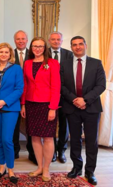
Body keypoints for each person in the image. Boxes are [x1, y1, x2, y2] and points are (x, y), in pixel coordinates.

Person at [61, 36, 106, 185]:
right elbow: (61, 86)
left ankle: (90, 171)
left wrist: (85, 100)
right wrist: (75, 99)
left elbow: (101, 86)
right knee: (74, 139)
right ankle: (76, 167)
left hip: (91, 107)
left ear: (85, 45)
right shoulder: (65, 64)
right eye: (74, 45)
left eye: (80, 44)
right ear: (71, 47)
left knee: (91, 141)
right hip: (72, 107)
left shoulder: (96, 63)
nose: (78, 47)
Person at [21, 37, 60, 182]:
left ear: (45, 48)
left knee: (48, 137)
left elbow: (56, 87)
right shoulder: (27, 63)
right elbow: (25, 85)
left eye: (40, 46)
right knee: (35, 137)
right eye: (35, 46)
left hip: (47, 105)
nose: (37, 49)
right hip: (31, 104)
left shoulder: (52, 63)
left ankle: (47, 169)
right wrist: (23, 104)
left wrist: (53, 108)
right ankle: (39, 166)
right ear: (31, 48)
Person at [0, 42, 24, 184]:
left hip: (10, 108)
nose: (3, 54)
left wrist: (4, 101)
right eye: (0, 52)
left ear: (10, 55)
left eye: (6, 52)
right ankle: (1, 166)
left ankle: (11, 169)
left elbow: (19, 89)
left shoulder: (16, 69)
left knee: (7, 140)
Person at [48, 31, 73, 163]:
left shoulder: (69, 54)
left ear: (62, 41)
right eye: (53, 39)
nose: (56, 41)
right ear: (49, 40)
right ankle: (51, 151)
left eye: (58, 39)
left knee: (64, 124)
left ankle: (61, 150)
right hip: (49, 95)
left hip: (65, 95)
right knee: (50, 124)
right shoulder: (44, 53)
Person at [12, 30, 35, 163]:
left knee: (31, 126)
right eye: (18, 39)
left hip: (30, 95)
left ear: (27, 40)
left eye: (23, 39)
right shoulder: (10, 54)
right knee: (14, 126)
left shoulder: (33, 54)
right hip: (14, 95)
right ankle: (15, 151)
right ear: (14, 40)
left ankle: (32, 152)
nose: (21, 41)